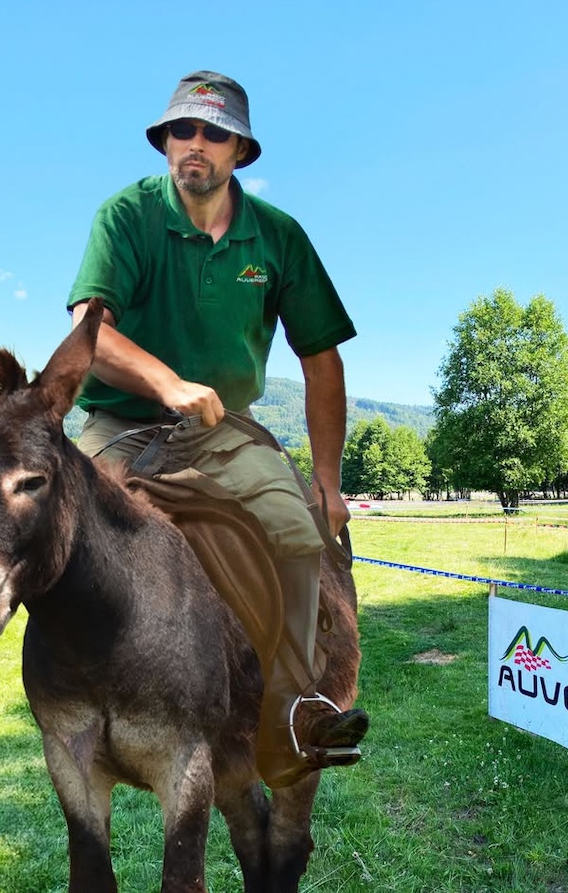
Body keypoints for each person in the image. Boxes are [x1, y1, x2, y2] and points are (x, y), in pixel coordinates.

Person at [66, 70, 368, 789]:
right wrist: (168, 384)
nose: (194, 144)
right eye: (182, 130)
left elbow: (321, 359)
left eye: (213, 133)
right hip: (121, 420)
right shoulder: (126, 216)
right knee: (61, 530)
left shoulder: (279, 237)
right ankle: (68, 699)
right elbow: (89, 329)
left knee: (297, 533)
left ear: (240, 151)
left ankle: (294, 710)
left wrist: (328, 481)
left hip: (223, 427)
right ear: (165, 141)